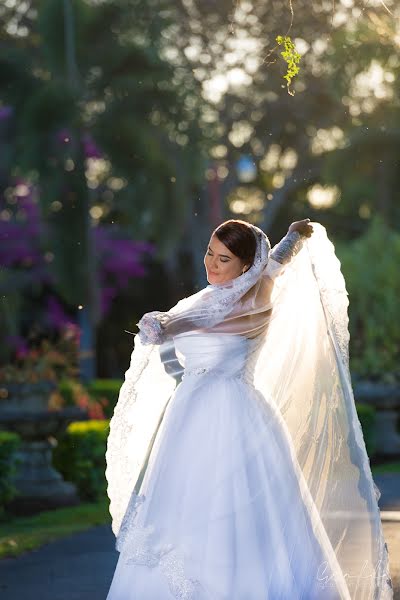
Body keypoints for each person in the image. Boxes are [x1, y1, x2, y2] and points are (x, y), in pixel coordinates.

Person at [105, 219, 393, 600]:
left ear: (245, 266)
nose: (211, 264)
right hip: (189, 418)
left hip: (233, 416)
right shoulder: (218, 294)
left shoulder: (255, 301)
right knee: (180, 510)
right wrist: (293, 235)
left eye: (223, 259)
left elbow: (206, 321)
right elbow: (278, 258)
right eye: (210, 252)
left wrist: (170, 322)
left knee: (236, 510)